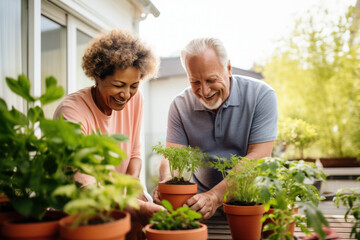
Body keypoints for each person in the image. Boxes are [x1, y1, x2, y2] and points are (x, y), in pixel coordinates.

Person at [153, 38, 278, 220]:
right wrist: (168, 184)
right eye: (195, 82)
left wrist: (215, 196)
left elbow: (258, 158)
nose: (204, 91)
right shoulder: (180, 105)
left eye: (211, 80)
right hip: (201, 207)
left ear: (228, 68)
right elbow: (173, 155)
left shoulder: (261, 95)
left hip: (251, 206)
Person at [53, 29, 163, 233]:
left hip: (122, 206)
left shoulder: (135, 100)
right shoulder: (71, 112)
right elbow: (84, 183)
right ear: (97, 76)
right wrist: (138, 209)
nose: (126, 95)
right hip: (82, 213)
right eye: (119, 85)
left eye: (134, 86)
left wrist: (132, 183)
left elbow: (135, 152)